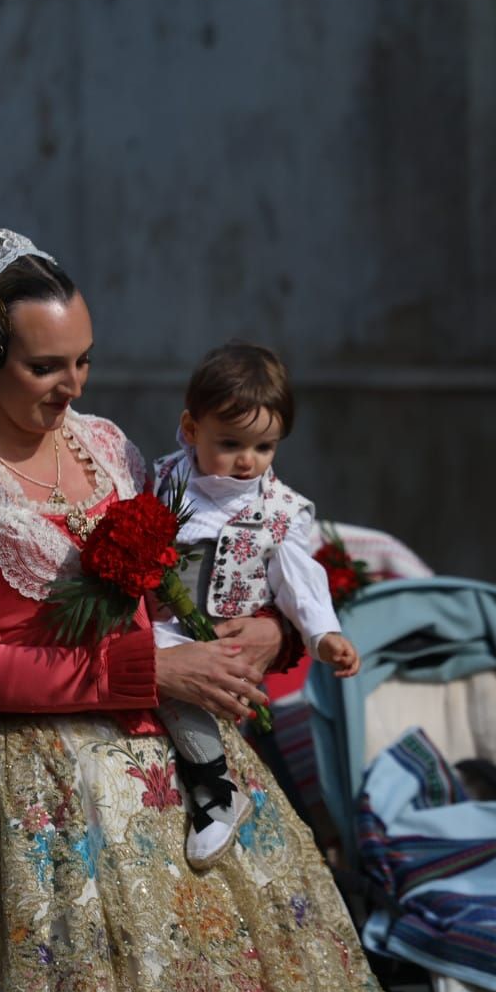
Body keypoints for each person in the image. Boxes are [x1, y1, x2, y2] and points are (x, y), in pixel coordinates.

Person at [0, 229, 397, 992]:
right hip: (33, 792)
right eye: (45, 367)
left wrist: (267, 631)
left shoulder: (110, 450)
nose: (72, 385)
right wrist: (156, 672)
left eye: (84, 361)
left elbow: (208, 571)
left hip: (172, 766)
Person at [150, 341, 360, 868]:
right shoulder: (165, 480)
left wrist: (322, 634)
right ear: (192, 429)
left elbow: (299, 579)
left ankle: (215, 790)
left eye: (264, 447)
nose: (248, 461)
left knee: (191, 691)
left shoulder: (278, 511)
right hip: (164, 627)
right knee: (150, 659)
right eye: (231, 443)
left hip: (224, 638)